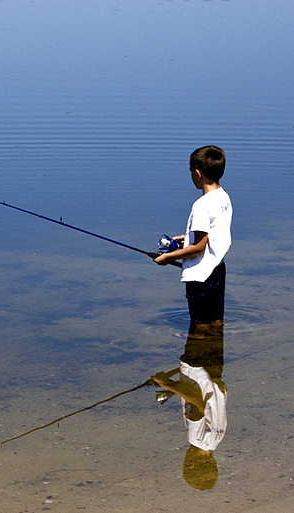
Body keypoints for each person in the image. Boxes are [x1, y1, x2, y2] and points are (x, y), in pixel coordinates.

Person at [154, 146, 233, 336]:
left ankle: (196, 357)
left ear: (198, 174)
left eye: (191, 172)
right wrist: (186, 238)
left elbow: (198, 247)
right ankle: (215, 355)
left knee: (200, 324)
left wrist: (169, 258)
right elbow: (212, 233)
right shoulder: (223, 197)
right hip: (218, 269)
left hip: (201, 275)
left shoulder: (201, 205)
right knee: (215, 320)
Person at [151, 329, 227, 490]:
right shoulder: (196, 440)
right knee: (198, 327)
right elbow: (196, 401)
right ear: (191, 465)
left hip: (214, 371)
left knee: (215, 325)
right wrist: (167, 383)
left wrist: (173, 386)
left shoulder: (218, 438)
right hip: (196, 369)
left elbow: (206, 401)